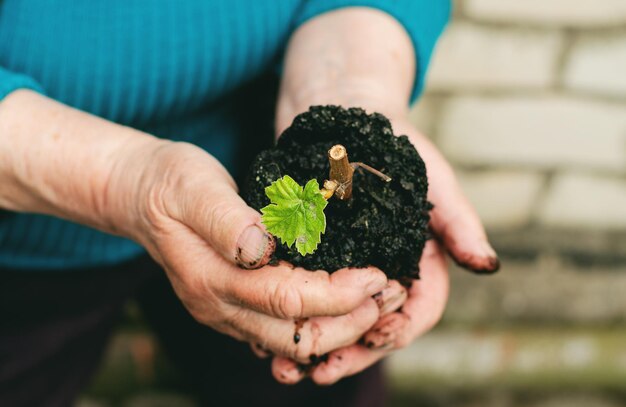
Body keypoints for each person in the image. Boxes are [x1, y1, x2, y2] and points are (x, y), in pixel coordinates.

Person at [0, 1, 499, 406]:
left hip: (244, 171)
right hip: (22, 232)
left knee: (315, 379)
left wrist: (350, 85)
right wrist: (123, 180)